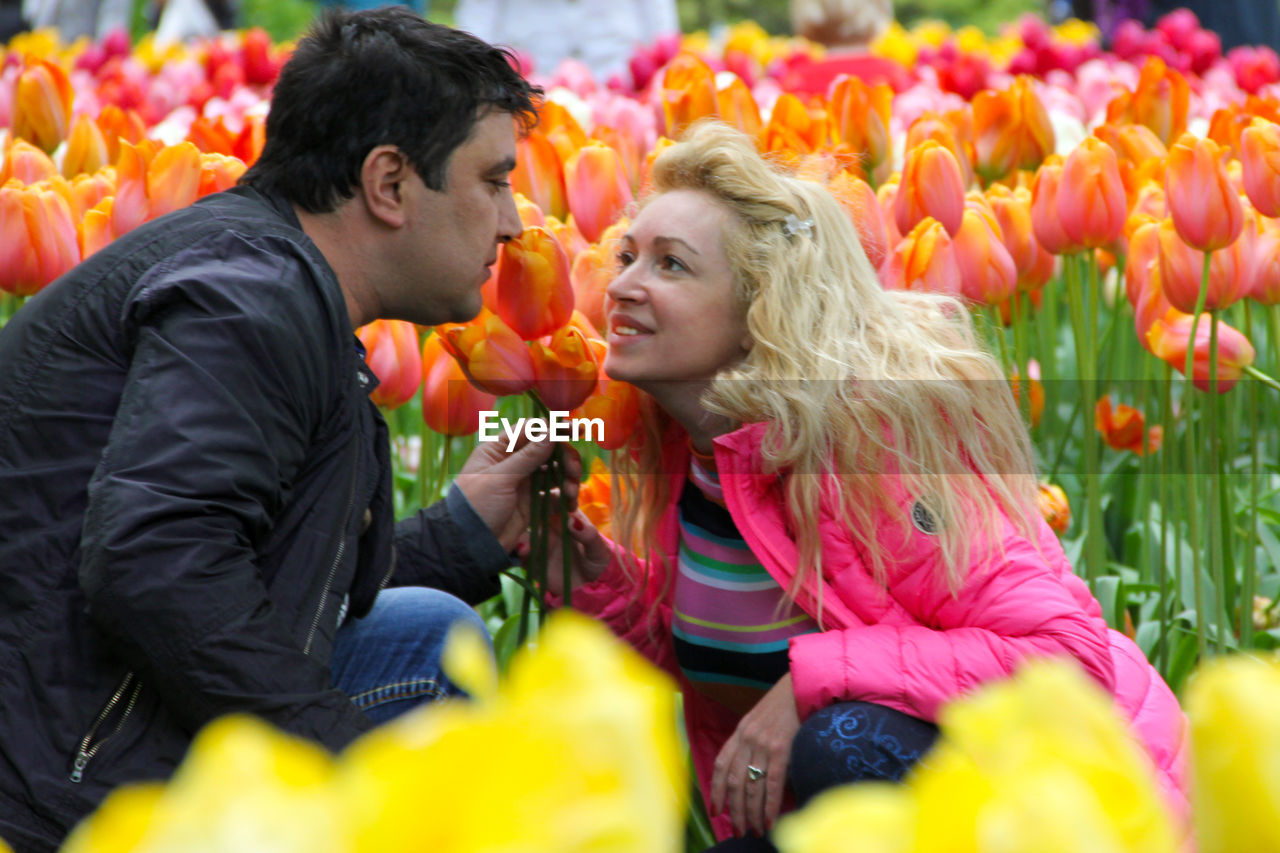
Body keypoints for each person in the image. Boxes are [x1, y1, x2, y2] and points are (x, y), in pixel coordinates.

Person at [0, 8, 558, 852]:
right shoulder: (254, 296)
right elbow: (154, 561)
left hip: (75, 704)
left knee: (427, 632)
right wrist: (348, 763)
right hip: (55, 784)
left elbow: (269, 575)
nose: (513, 223)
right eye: (493, 180)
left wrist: (461, 533)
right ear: (390, 183)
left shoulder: (267, 271)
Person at [551, 121, 1189, 850]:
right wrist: (586, 575)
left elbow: (1064, 655)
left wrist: (812, 680)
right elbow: (729, 657)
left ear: (761, 308)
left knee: (842, 736)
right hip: (838, 815)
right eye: (627, 254)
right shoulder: (691, 454)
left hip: (1077, 807)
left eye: (670, 266)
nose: (620, 285)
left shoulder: (870, 452)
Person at [454, 0, 679, 83]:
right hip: (530, 72)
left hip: (619, 69)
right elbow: (479, 9)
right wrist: (481, 70)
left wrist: (660, 65)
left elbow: (658, 8)